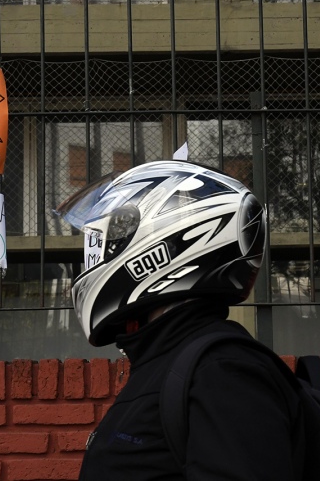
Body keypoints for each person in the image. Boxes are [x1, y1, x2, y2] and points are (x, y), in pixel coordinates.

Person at [55, 160, 303, 480]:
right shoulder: (170, 358)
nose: (95, 258)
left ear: (162, 245)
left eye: (105, 242)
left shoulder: (223, 371)